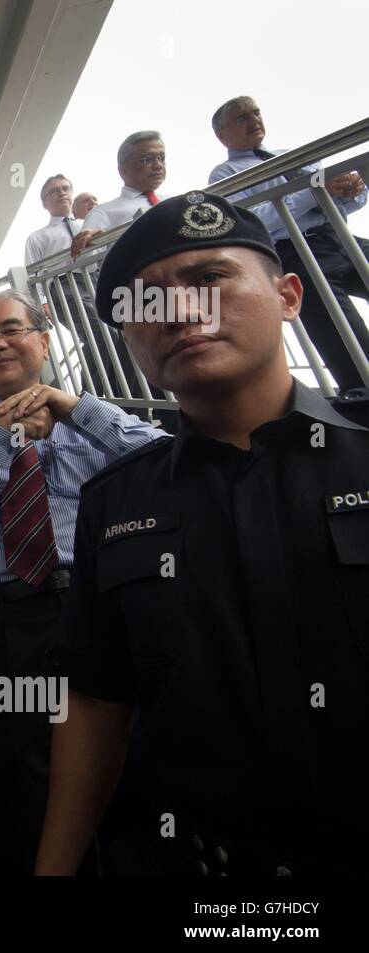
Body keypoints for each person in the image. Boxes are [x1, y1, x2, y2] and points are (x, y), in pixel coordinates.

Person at [39, 191, 369, 876]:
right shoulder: (115, 504)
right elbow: (100, 700)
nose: (179, 313)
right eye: (144, 303)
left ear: (288, 295)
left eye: (211, 280)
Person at [0, 288, 165, 873]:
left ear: (43, 339)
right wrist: (7, 435)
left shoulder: (92, 421)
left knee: (133, 760)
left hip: (103, 605)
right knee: (23, 770)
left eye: (10, 329)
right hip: (12, 619)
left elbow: (161, 463)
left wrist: (70, 408)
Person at [208, 95, 369, 391]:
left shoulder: (294, 155)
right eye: (242, 117)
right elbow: (252, 223)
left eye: (256, 112)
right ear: (221, 135)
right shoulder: (224, 176)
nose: (254, 120)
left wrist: (351, 191)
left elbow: (337, 205)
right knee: (344, 337)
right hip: (296, 251)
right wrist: (311, 191)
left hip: (339, 238)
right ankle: (363, 397)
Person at [70, 131, 167, 259]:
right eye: (147, 159)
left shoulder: (175, 202)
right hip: (141, 278)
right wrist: (92, 242)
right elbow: (84, 260)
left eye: (161, 158)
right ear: (123, 170)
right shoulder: (102, 212)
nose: (158, 165)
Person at [25, 174, 83, 265]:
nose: (62, 193)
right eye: (54, 191)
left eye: (65, 188)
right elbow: (33, 275)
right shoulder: (36, 238)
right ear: (44, 203)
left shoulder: (89, 225)